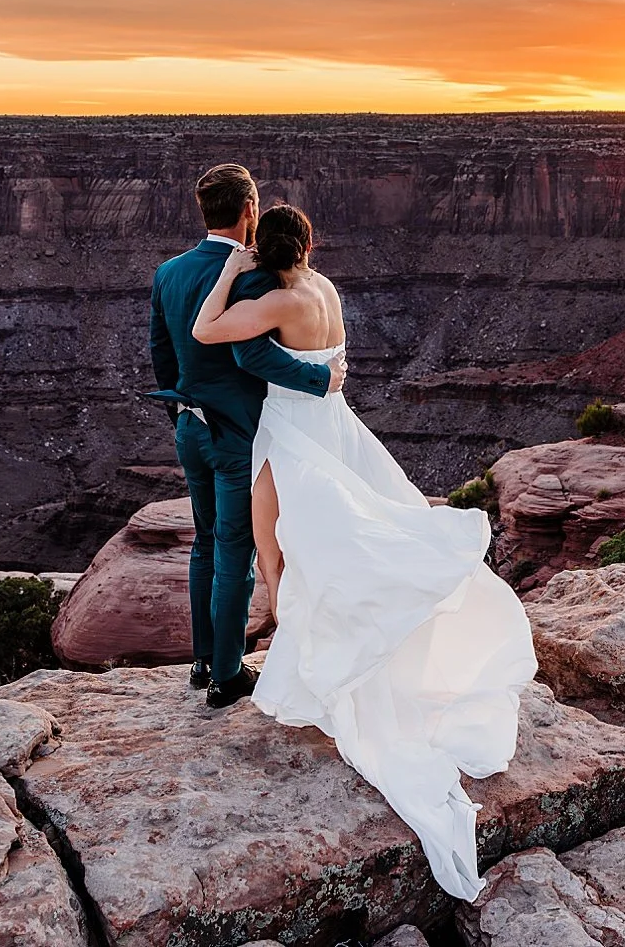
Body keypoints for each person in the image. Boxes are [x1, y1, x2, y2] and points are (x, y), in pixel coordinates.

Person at [191, 202, 536, 902]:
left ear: (266, 254)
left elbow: (205, 330)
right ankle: (309, 646)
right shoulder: (323, 289)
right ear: (310, 245)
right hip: (336, 425)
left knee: (281, 546)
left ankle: (304, 653)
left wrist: (231, 266)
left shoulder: (279, 297)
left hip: (293, 433)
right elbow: (328, 362)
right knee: (342, 541)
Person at [148, 164, 346, 710]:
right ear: (250, 210)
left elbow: (162, 358)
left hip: (191, 425)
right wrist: (319, 378)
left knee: (205, 543)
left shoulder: (169, 273)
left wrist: (186, 418)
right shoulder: (256, 276)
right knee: (235, 549)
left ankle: (201, 660)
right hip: (240, 434)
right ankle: (226, 675)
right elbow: (251, 353)